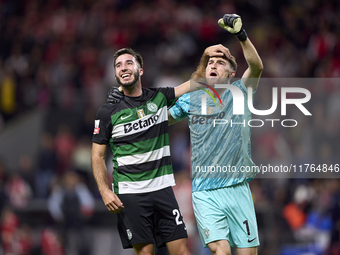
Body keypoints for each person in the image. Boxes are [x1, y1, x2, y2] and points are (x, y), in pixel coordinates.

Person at [91, 46, 228, 255]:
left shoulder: (159, 97)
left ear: (141, 70)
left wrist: (207, 55)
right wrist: (104, 190)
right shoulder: (107, 111)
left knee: (182, 251)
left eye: (129, 63)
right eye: (118, 65)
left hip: (162, 189)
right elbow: (97, 155)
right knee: (145, 253)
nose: (123, 68)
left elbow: (197, 80)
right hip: (130, 193)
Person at [168, 14, 263, 255]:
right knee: (221, 250)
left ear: (232, 73)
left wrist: (241, 36)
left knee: (248, 253)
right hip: (204, 191)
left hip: (238, 187)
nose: (213, 64)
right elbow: (160, 120)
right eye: (210, 61)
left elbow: (257, 66)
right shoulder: (191, 99)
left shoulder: (242, 92)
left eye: (221, 62)